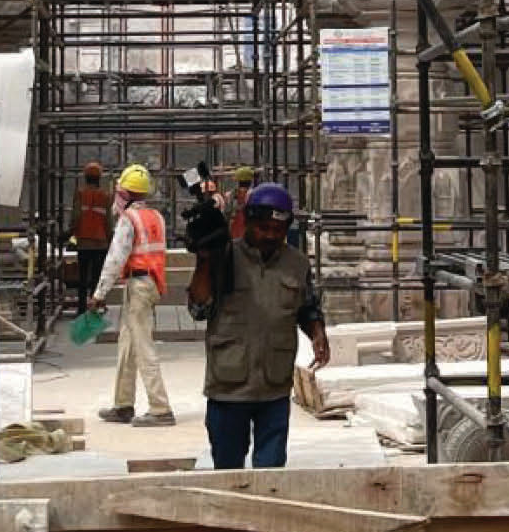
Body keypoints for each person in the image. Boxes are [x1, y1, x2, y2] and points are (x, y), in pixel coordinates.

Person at [188, 181, 328, 469]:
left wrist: (318, 333)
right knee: (227, 470)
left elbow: (307, 307)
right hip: (229, 386)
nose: (270, 236)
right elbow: (198, 308)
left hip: (274, 387)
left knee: (271, 471)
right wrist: (204, 260)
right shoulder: (225, 256)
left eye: (278, 230)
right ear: (248, 222)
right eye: (264, 228)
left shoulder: (297, 264)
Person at [87, 163, 174, 427]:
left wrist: (99, 294)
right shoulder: (156, 217)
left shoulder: (129, 220)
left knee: (143, 346)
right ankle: (123, 405)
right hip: (149, 283)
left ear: (124, 194)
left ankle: (160, 409)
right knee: (127, 343)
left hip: (138, 285)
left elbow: (115, 258)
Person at [69, 161, 112, 317]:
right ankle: (95, 307)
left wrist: (71, 232)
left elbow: (75, 216)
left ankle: (81, 308)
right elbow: (108, 221)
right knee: (97, 277)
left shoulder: (80, 194)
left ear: (85, 177)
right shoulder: (105, 196)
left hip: (84, 242)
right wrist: (110, 238)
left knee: (82, 277)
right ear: (99, 178)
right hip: (100, 243)